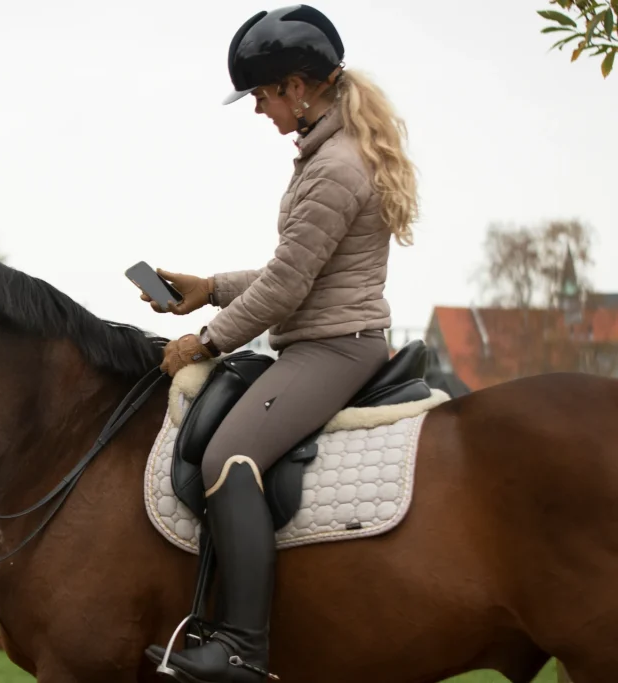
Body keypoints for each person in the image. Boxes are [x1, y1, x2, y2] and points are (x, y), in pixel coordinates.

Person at [142, 5, 419, 682]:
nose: (259, 109)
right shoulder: (328, 153)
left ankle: (243, 647)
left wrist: (203, 340)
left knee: (230, 456)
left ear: (299, 86)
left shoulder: (334, 167)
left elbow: (286, 291)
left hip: (335, 348)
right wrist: (208, 286)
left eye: (263, 94)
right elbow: (288, 272)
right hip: (317, 342)